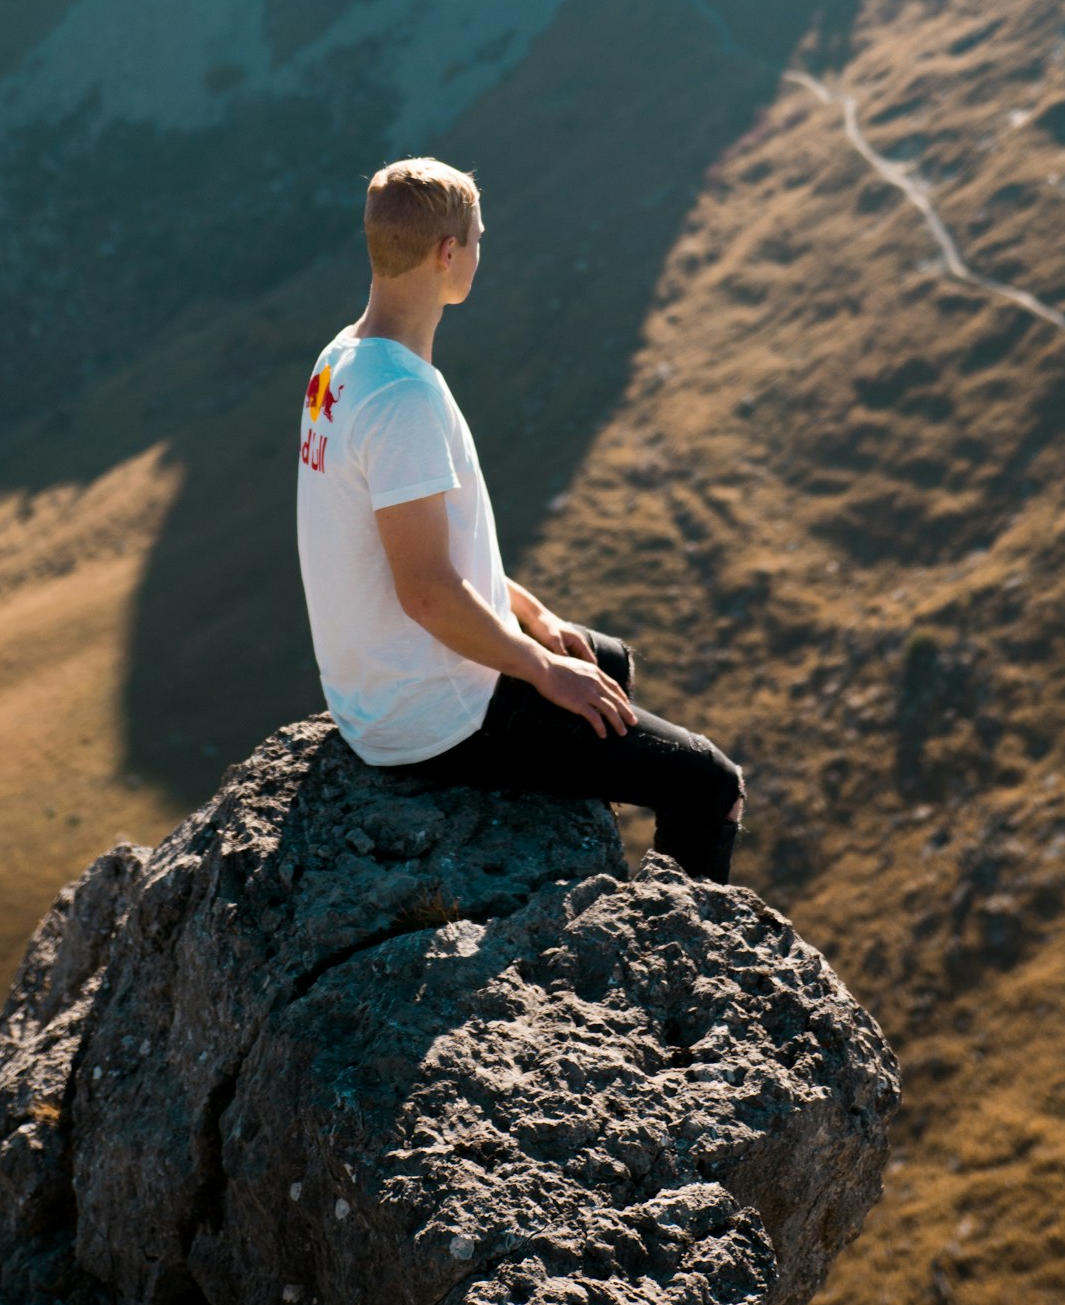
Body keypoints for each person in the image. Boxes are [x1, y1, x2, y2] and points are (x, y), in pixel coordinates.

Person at [295, 155, 745, 882]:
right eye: (476, 237)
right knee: (710, 787)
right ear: (448, 255)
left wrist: (535, 616)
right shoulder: (401, 399)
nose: (479, 250)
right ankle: (669, 946)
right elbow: (428, 593)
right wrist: (540, 669)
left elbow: (428, 547)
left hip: (375, 686)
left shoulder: (341, 359)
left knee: (606, 662)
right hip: (428, 716)